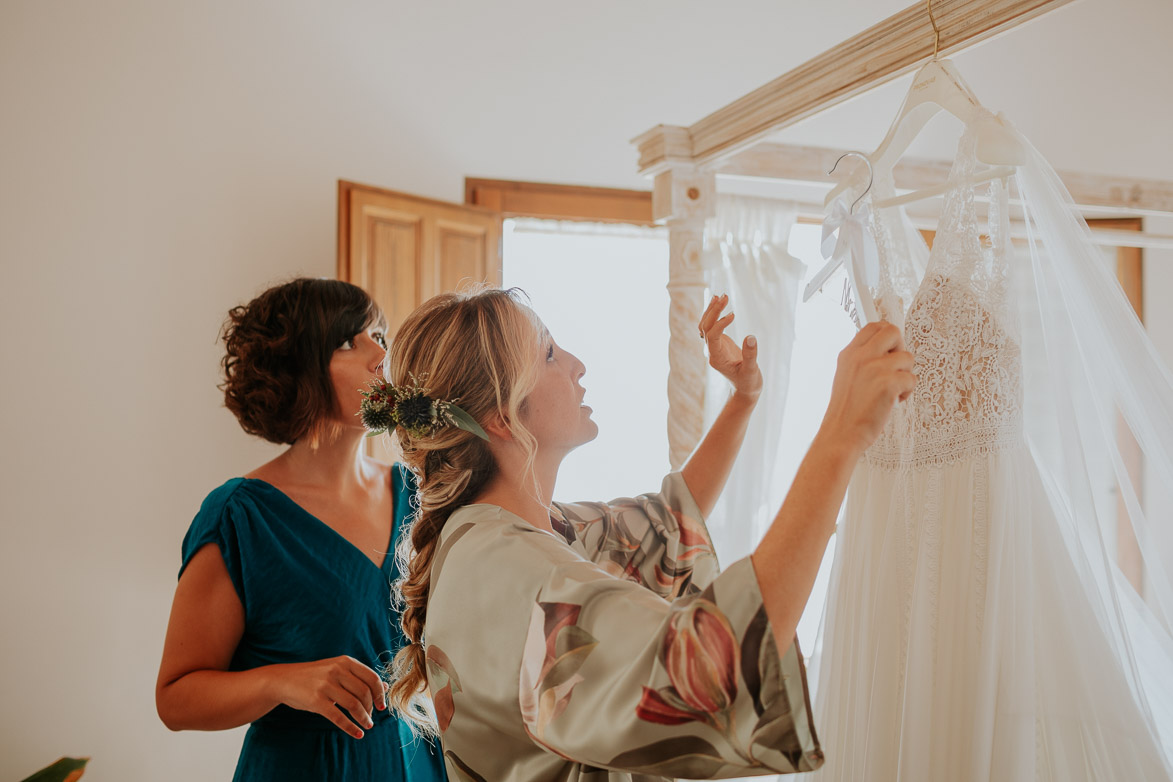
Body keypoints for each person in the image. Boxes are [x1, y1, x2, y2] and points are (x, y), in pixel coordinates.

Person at [382, 287, 914, 780]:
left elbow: (664, 522)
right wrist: (840, 437)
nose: (576, 365)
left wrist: (744, 398)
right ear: (500, 416)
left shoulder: (519, 531)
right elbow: (705, 672)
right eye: (548, 355)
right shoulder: (505, 569)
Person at [155, 278, 447, 781]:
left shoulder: (418, 493)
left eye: (379, 334)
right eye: (349, 341)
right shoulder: (240, 517)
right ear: (299, 369)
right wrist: (281, 682)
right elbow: (176, 698)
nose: (381, 354)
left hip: (420, 762)